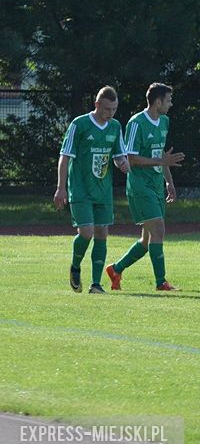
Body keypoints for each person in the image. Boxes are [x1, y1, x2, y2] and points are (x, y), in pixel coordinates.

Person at [105, 83, 185, 292]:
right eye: (168, 100)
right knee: (159, 230)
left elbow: (161, 157)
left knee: (147, 239)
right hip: (140, 186)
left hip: (157, 185)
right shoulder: (137, 123)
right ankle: (161, 282)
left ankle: (116, 269)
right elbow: (130, 157)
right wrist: (161, 162)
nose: (170, 104)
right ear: (158, 102)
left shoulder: (164, 121)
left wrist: (169, 182)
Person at [53, 86, 129, 294]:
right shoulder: (80, 124)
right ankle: (75, 266)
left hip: (103, 191)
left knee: (102, 233)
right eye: (107, 109)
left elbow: (119, 155)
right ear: (97, 105)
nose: (110, 113)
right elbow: (65, 156)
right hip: (80, 189)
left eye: (114, 109)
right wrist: (61, 188)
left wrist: (123, 163)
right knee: (86, 233)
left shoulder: (115, 127)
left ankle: (96, 284)